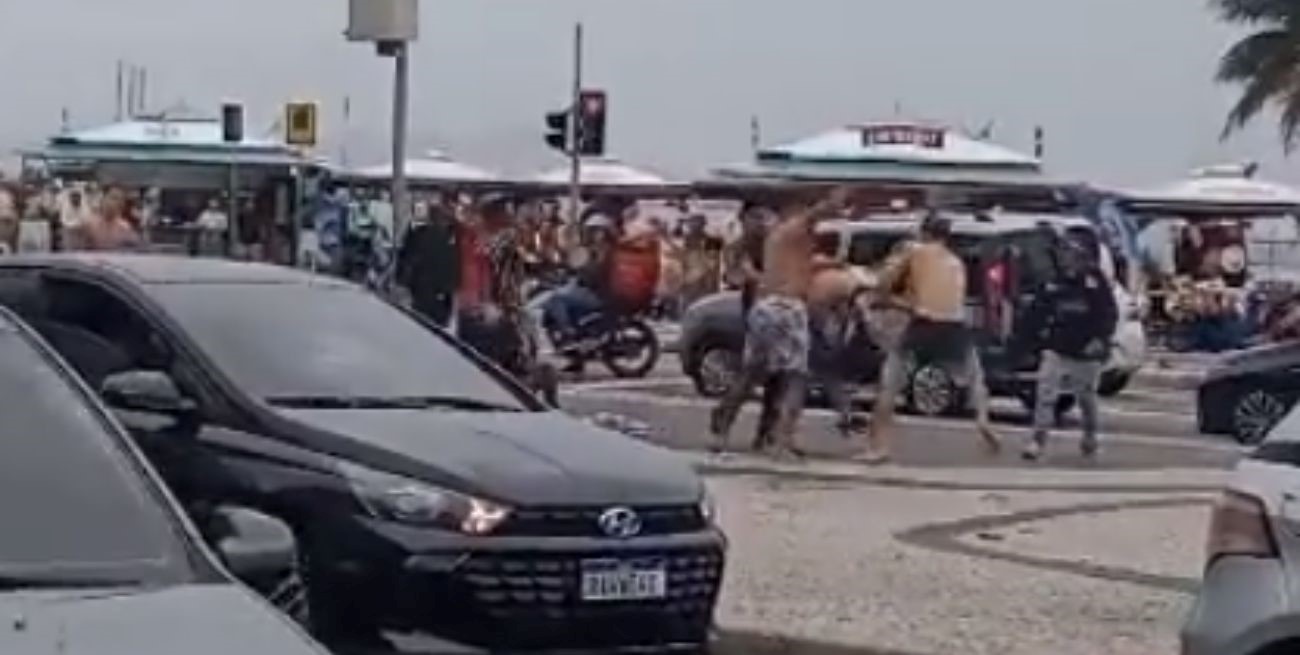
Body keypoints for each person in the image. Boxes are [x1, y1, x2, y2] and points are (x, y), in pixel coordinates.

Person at [710, 188, 851, 459]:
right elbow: (815, 214)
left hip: (764, 307)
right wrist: (835, 199)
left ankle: (722, 428)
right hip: (787, 308)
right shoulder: (794, 228)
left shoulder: (778, 239)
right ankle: (782, 440)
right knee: (796, 377)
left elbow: (801, 265)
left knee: (751, 373)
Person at [864, 211, 1001, 464]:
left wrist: (887, 298)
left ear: (924, 233)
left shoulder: (914, 249)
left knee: (889, 384)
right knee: (975, 378)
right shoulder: (955, 261)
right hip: (955, 324)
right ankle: (983, 420)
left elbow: (882, 282)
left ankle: (878, 447)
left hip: (924, 323)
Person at [1020, 235, 1119, 461]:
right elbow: (1038, 311)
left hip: (1085, 352)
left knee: (1086, 399)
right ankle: (1037, 440)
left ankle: (1090, 438)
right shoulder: (1054, 281)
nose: (1067, 260)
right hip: (1057, 347)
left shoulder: (1094, 282)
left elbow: (1108, 313)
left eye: (1071, 255)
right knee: (1045, 394)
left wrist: (1100, 339)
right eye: (1064, 254)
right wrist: (1033, 340)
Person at [542, 214, 617, 351]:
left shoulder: (606, 251)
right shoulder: (598, 250)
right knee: (564, 293)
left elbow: (596, 275)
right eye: (592, 231)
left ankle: (568, 333)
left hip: (599, 295)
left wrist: (581, 271)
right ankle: (576, 352)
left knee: (555, 299)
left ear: (605, 232)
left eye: (597, 231)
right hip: (594, 291)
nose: (594, 234)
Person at [397, 202, 460, 328]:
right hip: (440, 294)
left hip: (421, 290)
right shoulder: (449, 240)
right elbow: (453, 268)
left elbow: (408, 261)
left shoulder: (418, 235)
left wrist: (404, 283)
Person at [678, 214, 725, 313]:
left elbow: (712, 264)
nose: (690, 225)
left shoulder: (712, 241)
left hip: (705, 285)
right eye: (690, 223)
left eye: (694, 222)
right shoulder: (686, 240)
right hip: (689, 285)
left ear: (703, 224)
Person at [72, 187, 142, 252]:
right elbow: (78, 251)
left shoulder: (124, 228)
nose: (116, 203)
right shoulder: (88, 224)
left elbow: (138, 248)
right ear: (103, 199)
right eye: (113, 198)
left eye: (121, 200)